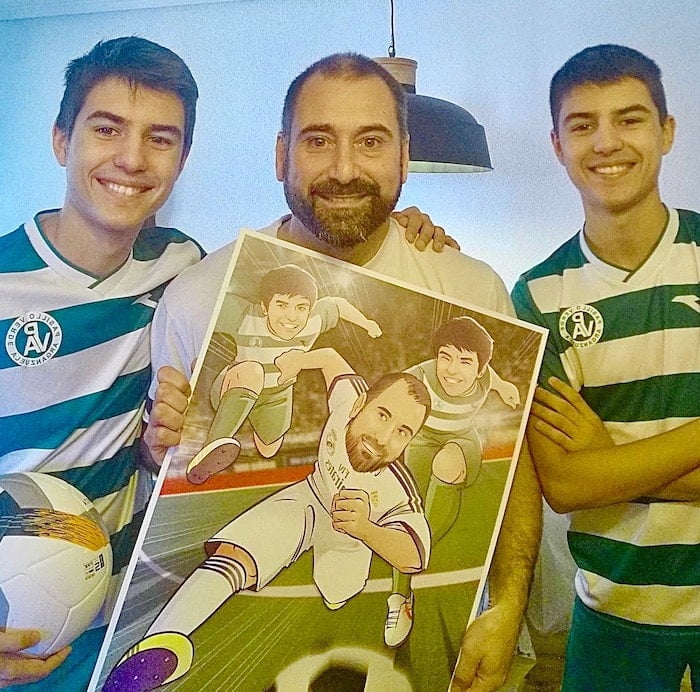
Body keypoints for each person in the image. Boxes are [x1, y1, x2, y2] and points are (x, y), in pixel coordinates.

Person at [146, 52, 542, 691]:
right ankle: (166, 641)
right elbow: (155, 468)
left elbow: (517, 467)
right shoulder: (197, 297)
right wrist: (158, 445)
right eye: (318, 141)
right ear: (282, 155)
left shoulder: (472, 290)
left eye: (372, 142)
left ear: (405, 157)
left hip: (364, 526)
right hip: (306, 495)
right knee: (248, 549)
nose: (345, 169)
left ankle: (377, 598)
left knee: (339, 585)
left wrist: (507, 606)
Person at [0, 37, 205, 691]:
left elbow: (289, 263)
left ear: (182, 160)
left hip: (124, 631)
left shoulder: (184, 269)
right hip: (15, 640)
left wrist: (403, 230)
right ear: (62, 140)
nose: (132, 158)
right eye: (107, 128)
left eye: (160, 138)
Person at [511, 44, 699, 690]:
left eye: (629, 118)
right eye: (582, 124)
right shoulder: (538, 296)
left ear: (666, 132)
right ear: (558, 146)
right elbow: (566, 485)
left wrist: (610, 461)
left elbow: (590, 476)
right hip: (612, 615)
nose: (606, 142)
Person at [105, 347, 432, 690]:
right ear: (360, 403)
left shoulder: (397, 486)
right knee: (240, 551)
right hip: (311, 495)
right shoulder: (347, 397)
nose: (384, 438)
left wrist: (366, 529)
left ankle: (394, 602)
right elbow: (331, 358)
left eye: (402, 432)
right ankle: (159, 643)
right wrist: (297, 361)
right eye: (383, 415)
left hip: (351, 536)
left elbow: (415, 555)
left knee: (337, 594)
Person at [385, 316, 520, 648]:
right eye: (445, 357)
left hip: (462, 440)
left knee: (445, 464)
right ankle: (400, 598)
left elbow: (493, 376)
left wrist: (505, 387)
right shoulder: (419, 377)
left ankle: (420, 548)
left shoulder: (486, 377)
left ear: (479, 368)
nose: (452, 369)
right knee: (408, 512)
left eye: (464, 361)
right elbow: (389, 394)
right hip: (421, 441)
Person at [185, 263, 381, 483]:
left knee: (269, 450)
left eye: (301, 307)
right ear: (265, 307)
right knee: (253, 370)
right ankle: (210, 447)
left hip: (277, 394)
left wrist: (367, 323)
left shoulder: (314, 321)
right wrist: (195, 352)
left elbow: (338, 304)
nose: (291, 316)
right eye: (282, 305)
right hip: (236, 382)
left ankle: (253, 419)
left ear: (310, 309)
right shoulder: (244, 316)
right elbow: (203, 302)